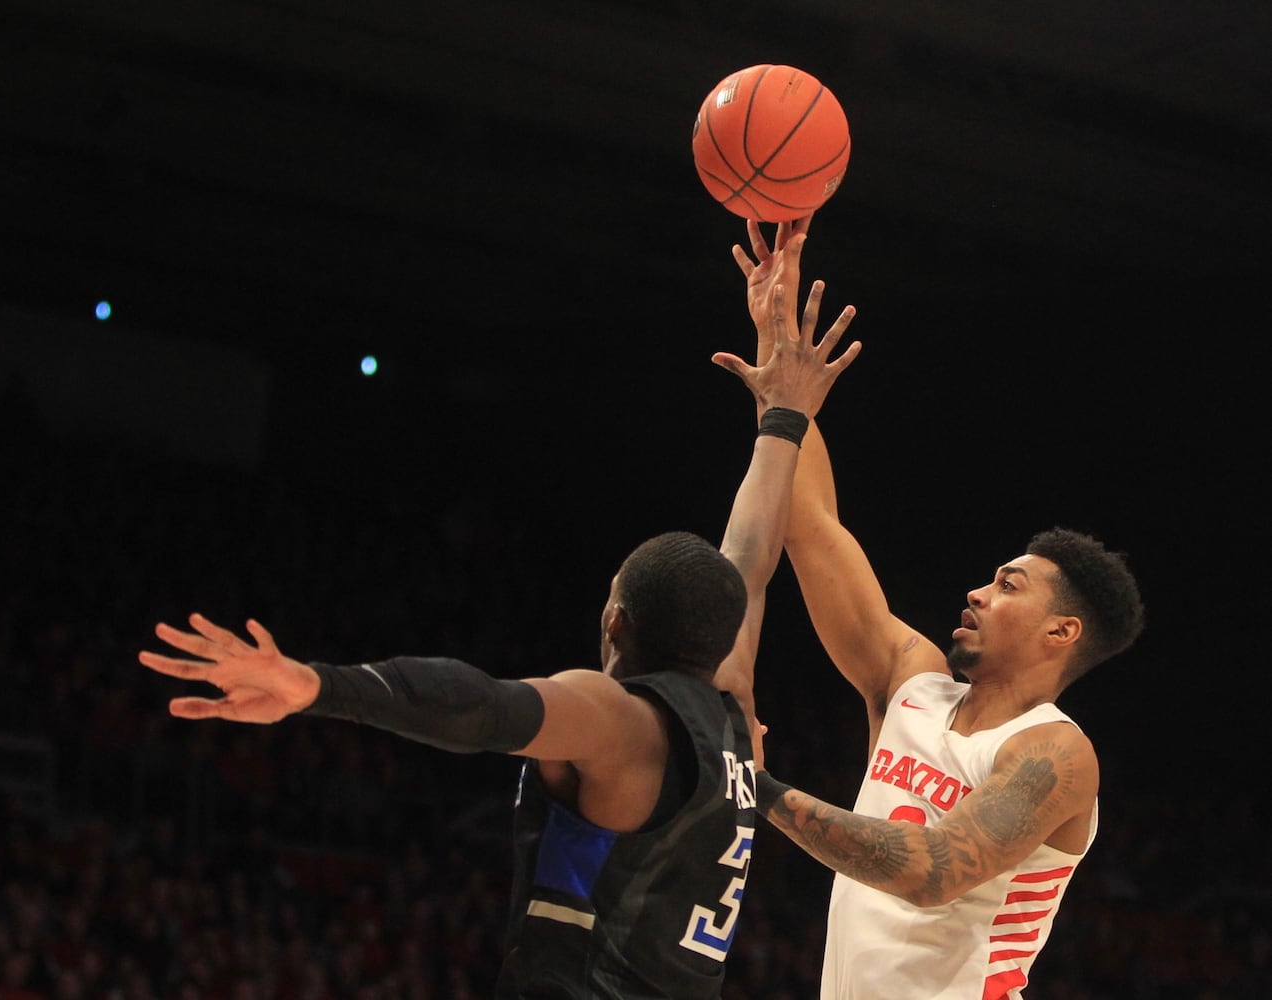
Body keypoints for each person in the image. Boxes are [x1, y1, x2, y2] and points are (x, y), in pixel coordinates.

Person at [138, 262, 860, 1000]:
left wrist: (319, 685)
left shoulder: (627, 724)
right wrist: (783, 410)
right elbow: (751, 556)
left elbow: (481, 705)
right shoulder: (732, 714)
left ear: (616, 620)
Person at [731, 217, 1145, 999]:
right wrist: (781, 367)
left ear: (1063, 631)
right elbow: (810, 525)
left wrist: (760, 788)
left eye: (1009, 586)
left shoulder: (1054, 754)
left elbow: (931, 871)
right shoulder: (910, 681)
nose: (978, 592)